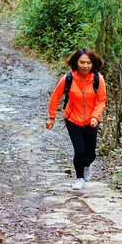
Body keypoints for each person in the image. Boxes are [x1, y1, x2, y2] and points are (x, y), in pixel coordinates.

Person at [46, 47, 107, 190]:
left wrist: (95, 117)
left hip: (91, 121)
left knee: (90, 154)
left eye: (88, 63)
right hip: (72, 119)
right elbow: (56, 97)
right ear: (76, 62)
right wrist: (51, 117)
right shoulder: (68, 78)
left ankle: (87, 166)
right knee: (79, 151)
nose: (85, 66)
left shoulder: (98, 79)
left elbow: (101, 100)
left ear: (93, 64)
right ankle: (79, 178)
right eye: (82, 62)